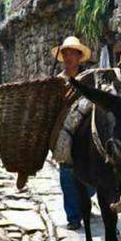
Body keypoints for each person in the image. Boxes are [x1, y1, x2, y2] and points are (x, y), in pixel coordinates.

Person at [52, 37, 96, 230]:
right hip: (65, 134)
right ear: (62, 57)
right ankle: (73, 217)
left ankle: (84, 201)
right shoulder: (57, 83)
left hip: (86, 134)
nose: (69, 57)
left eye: (73, 53)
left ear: (79, 57)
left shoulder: (88, 79)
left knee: (91, 174)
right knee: (68, 173)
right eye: (66, 54)